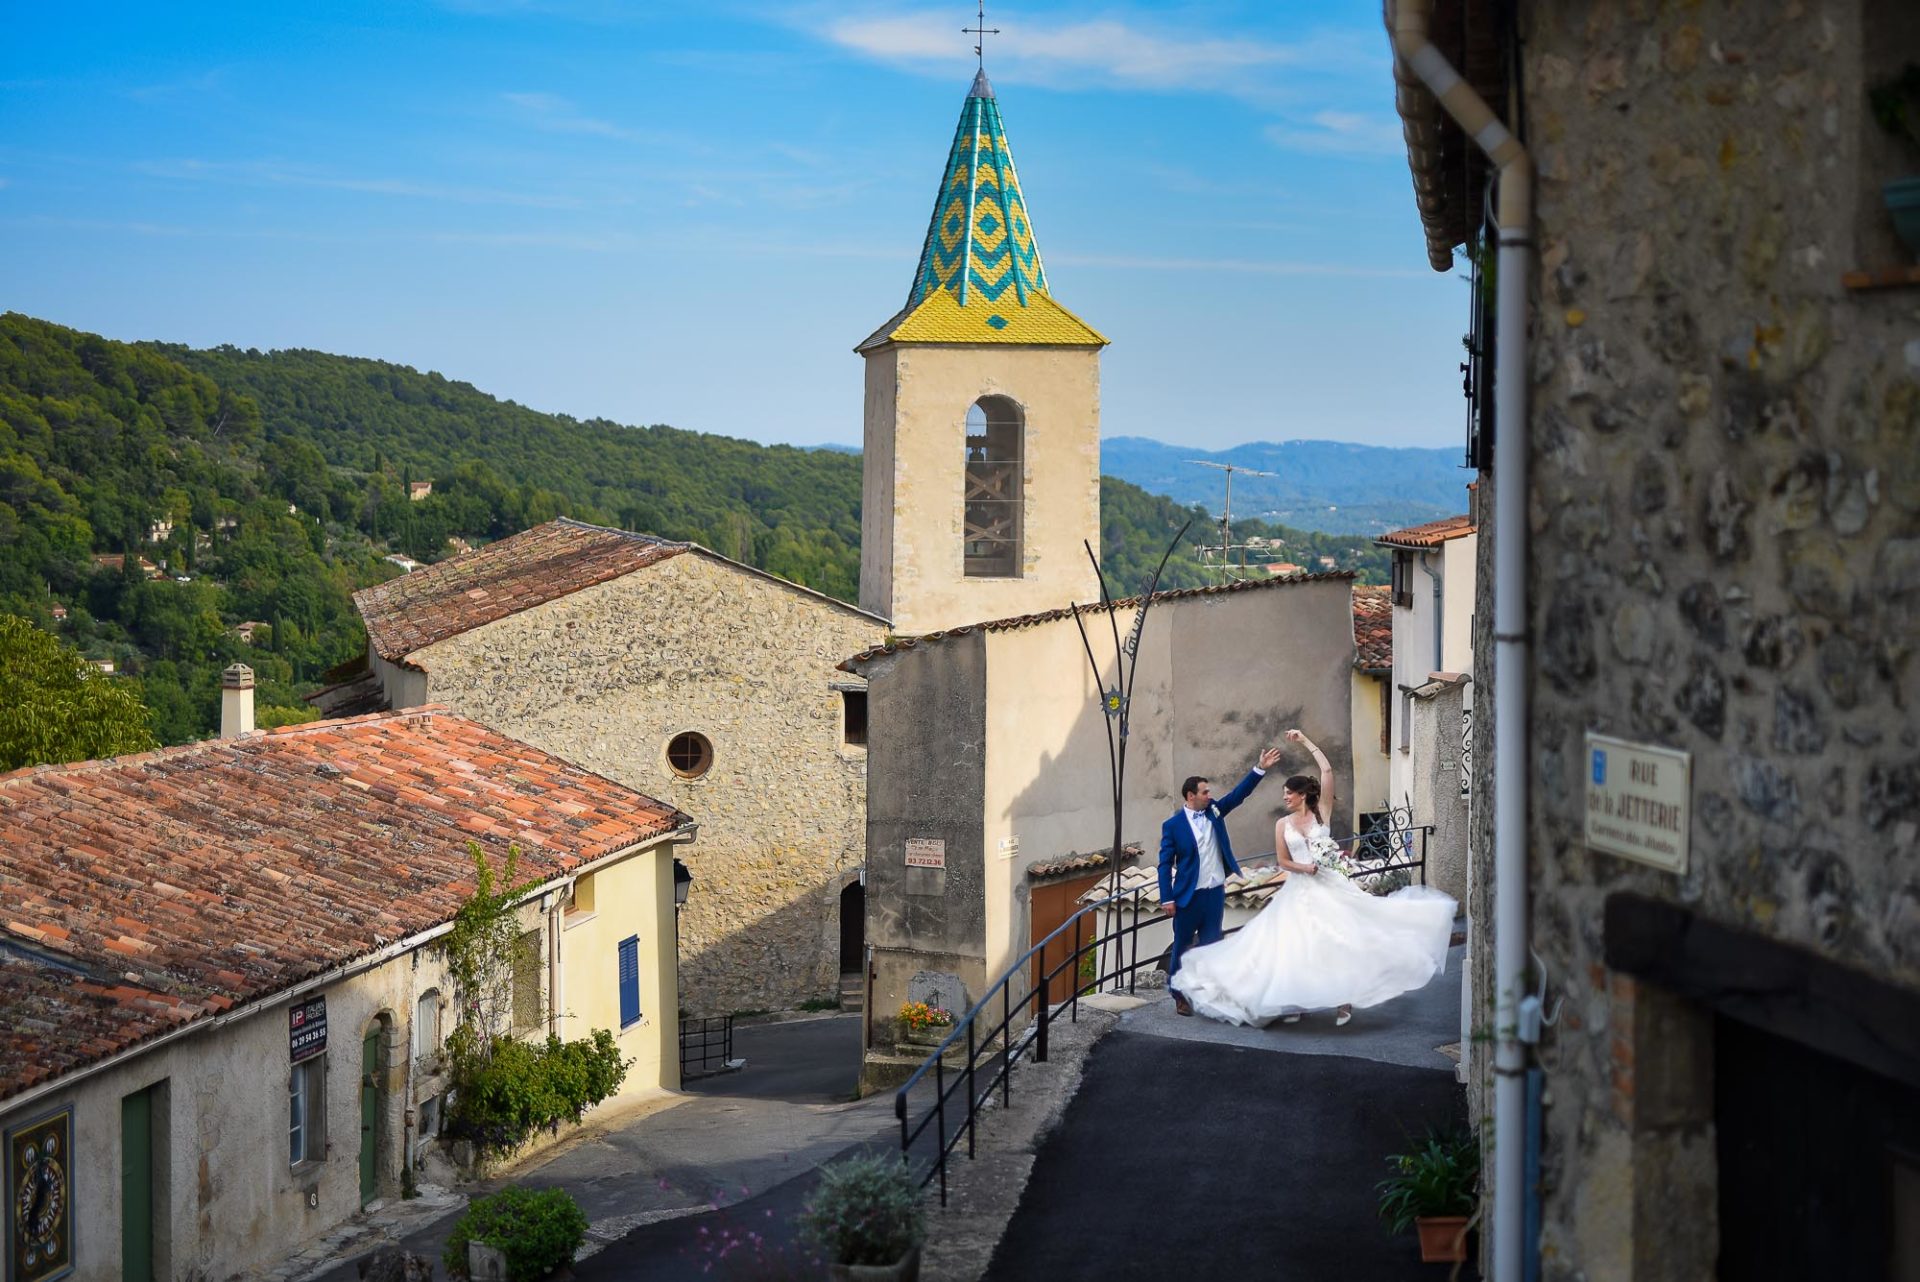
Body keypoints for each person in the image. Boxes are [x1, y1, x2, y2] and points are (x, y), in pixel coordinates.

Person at [1174, 728, 1457, 1029]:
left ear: (1303, 795)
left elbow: (1326, 769)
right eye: (1283, 794)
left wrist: (1306, 740)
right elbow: (1283, 860)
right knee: (1297, 946)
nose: (1284, 798)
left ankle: (1343, 999)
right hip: (1300, 889)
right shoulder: (1282, 824)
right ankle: (1298, 1001)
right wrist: (1304, 868)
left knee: (1339, 942)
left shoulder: (1322, 812)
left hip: (1331, 887)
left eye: (1288, 794)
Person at [1158, 746, 1284, 1017]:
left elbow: (1238, 795)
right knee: (1181, 946)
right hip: (1187, 897)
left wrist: (1259, 768)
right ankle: (1178, 994)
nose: (1209, 795)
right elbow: (1165, 864)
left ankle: (1208, 995)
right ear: (1191, 796)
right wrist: (1166, 898)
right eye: (1204, 792)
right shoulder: (1172, 826)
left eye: (1209, 791)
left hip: (1214, 893)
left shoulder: (1215, 810)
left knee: (1212, 945)